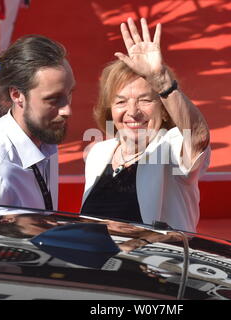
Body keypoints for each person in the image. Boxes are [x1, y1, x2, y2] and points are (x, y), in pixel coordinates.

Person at [81, 18, 211, 233]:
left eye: (145, 100)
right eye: (121, 101)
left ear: (163, 107)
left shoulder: (171, 147)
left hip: (161, 265)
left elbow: (197, 136)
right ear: (109, 109)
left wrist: (161, 80)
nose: (132, 112)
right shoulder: (98, 152)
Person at [0, 35, 76, 210]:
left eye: (69, 93)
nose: (67, 110)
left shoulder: (45, 137)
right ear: (17, 95)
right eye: (53, 99)